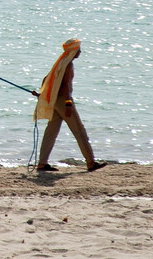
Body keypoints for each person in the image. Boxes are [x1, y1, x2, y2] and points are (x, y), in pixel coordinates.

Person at [33, 38, 107, 172]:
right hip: (63, 101)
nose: (80, 51)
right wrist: (68, 105)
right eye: (78, 49)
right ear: (73, 50)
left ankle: (42, 163)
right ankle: (91, 162)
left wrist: (43, 94)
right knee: (79, 131)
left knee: (51, 132)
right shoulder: (68, 65)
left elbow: (46, 79)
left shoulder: (60, 61)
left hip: (54, 101)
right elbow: (65, 86)